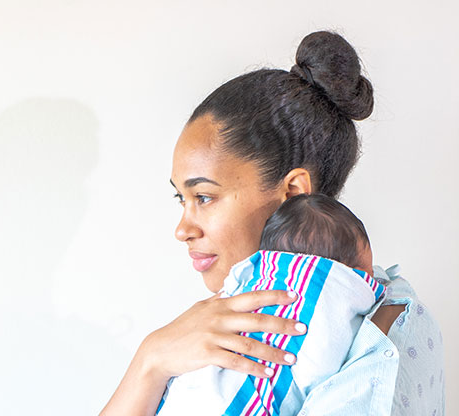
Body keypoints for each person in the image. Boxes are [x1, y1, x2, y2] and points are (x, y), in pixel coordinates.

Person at [100, 31, 445, 415]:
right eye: (181, 199)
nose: (182, 229)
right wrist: (150, 361)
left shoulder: (385, 331)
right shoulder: (209, 327)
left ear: (294, 192)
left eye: (205, 197)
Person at [157, 193, 386, 415]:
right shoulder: (333, 296)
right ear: (349, 274)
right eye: (366, 274)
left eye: (203, 198)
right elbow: (323, 366)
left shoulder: (245, 278)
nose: (372, 280)